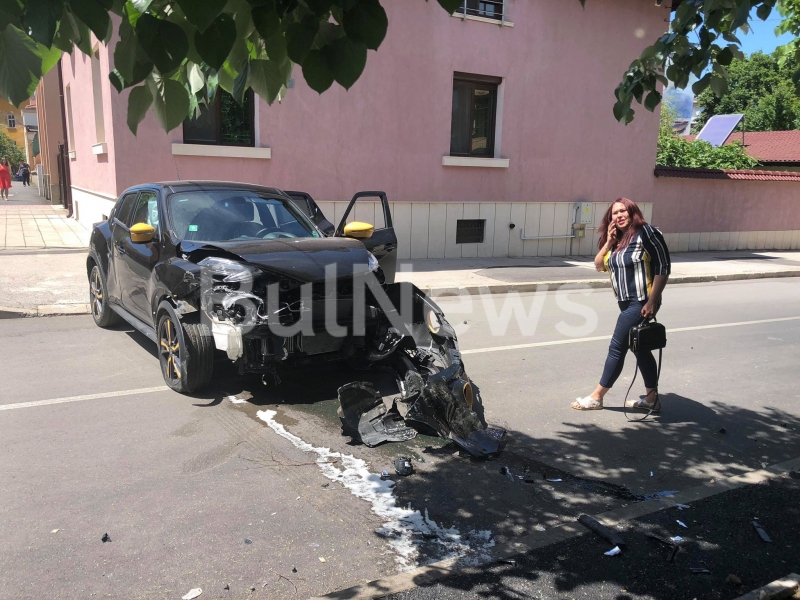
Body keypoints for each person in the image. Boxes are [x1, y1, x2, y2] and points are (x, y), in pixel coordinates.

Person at [571, 197, 671, 412]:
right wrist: (608, 242)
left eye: (623, 211)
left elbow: (663, 267)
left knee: (617, 347)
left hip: (642, 301)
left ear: (633, 212)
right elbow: (599, 265)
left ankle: (597, 397)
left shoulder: (647, 233)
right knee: (640, 348)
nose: (619, 215)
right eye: (615, 213)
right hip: (625, 303)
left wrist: (652, 301)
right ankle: (652, 399)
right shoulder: (617, 240)